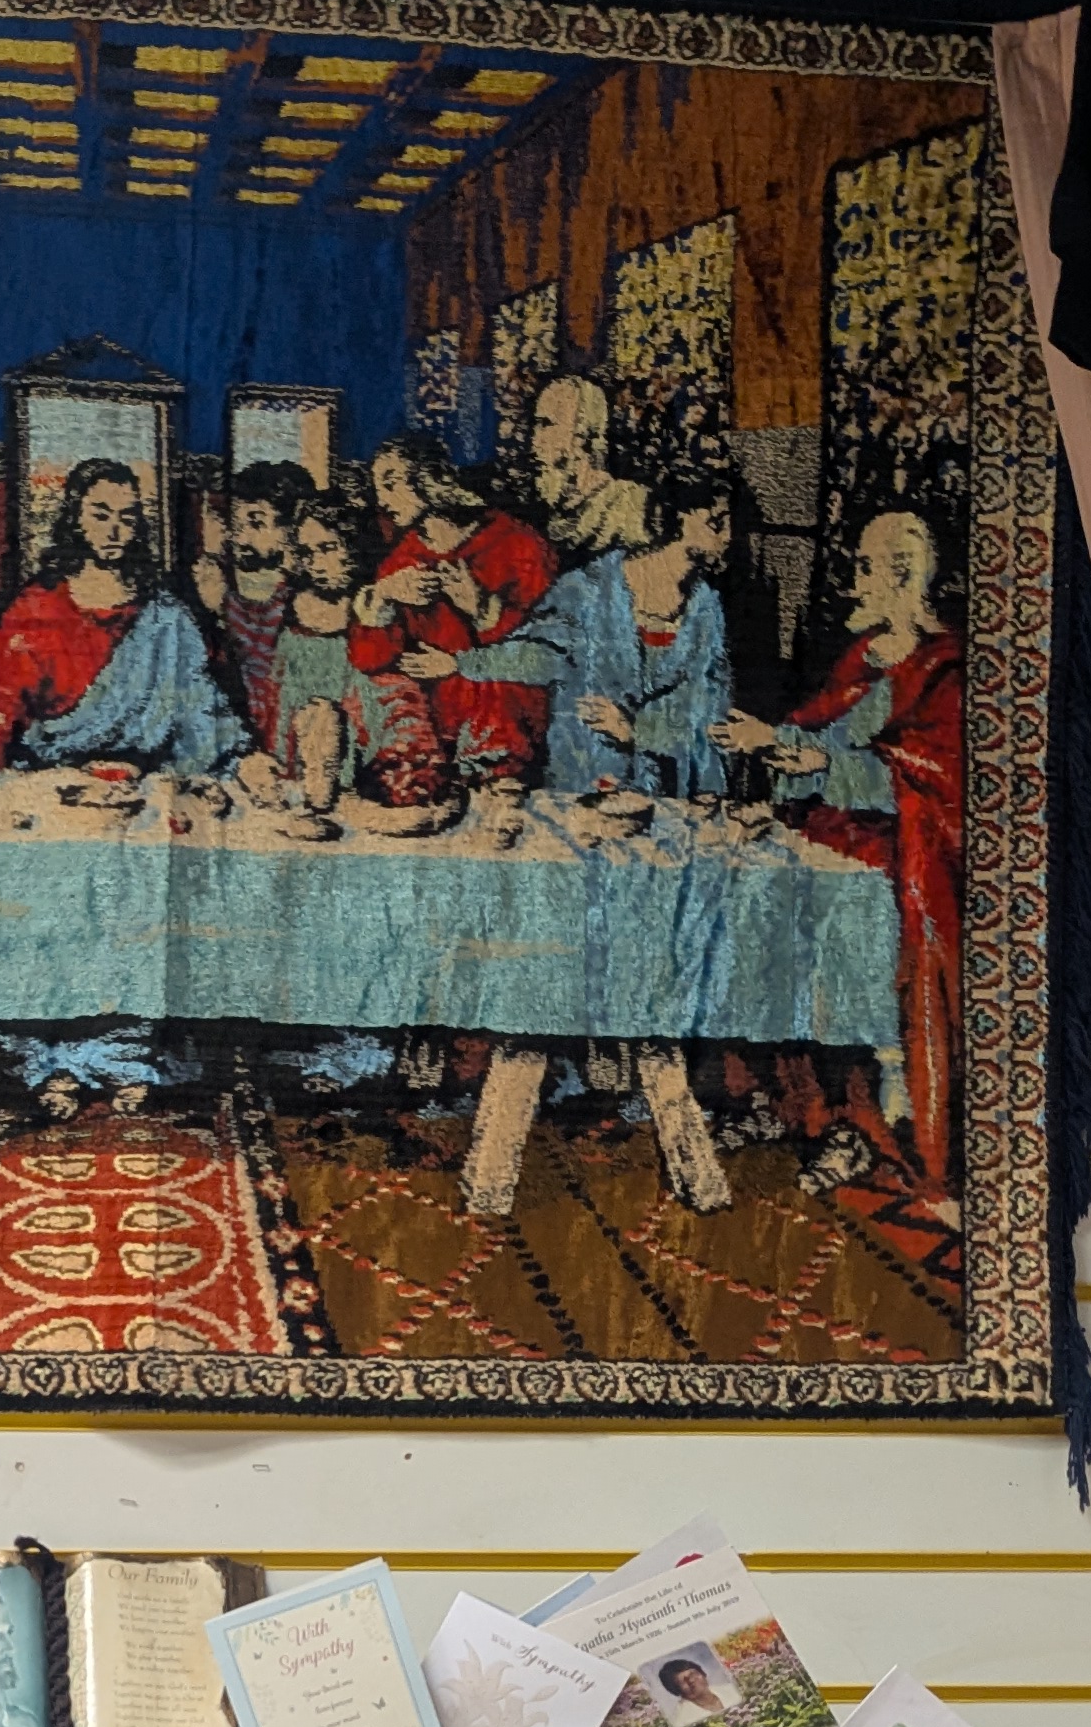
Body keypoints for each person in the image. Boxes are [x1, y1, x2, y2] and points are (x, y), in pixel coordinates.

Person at [715, 507, 966, 1190]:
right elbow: (819, 732)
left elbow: (928, 780)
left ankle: (866, 1128)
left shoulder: (945, 668)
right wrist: (784, 749)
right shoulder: (864, 655)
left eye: (865, 566)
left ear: (904, 574)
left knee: (849, 959)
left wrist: (814, 760)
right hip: (831, 836)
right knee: (755, 907)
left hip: (897, 860)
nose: (852, 581)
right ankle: (791, 1102)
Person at [408, 479, 736, 797]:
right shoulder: (587, 588)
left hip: (671, 788)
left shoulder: (707, 609)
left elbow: (710, 707)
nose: (728, 537)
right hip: (588, 776)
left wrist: (637, 731)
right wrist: (461, 664)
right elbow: (539, 654)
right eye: (716, 524)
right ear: (680, 520)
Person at [0, 461, 247, 775]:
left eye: (126, 517)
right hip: (60, 777)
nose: (114, 530)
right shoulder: (37, 608)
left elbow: (199, 702)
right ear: (75, 517)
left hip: (147, 779)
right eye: (101, 515)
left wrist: (243, 760)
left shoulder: (164, 614)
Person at [350, 432, 555, 782]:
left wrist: (480, 610)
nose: (383, 500)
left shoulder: (515, 543)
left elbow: (545, 650)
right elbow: (370, 662)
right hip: (435, 721)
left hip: (503, 718)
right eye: (378, 488)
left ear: (428, 477)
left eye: (391, 483)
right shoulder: (401, 562)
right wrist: (384, 596)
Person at [239, 497, 452, 829]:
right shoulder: (289, 604)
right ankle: (323, 801)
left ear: (353, 547)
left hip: (362, 721)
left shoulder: (370, 602)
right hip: (304, 728)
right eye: (308, 553)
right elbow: (275, 683)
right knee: (318, 721)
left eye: (328, 549)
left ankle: (374, 799)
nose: (317, 563)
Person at [191, 461, 315, 748]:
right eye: (237, 524)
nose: (240, 537)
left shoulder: (303, 598)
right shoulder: (220, 588)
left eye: (256, 524)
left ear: (290, 530)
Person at [530, 374, 656, 558]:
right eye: (537, 424)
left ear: (582, 434)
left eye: (546, 424)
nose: (536, 439)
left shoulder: (626, 506)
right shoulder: (550, 513)